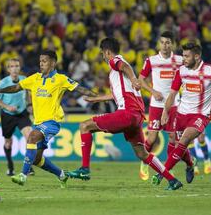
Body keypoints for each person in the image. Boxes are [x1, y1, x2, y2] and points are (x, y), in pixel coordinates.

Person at [66, 37, 183, 190]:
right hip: (136, 117)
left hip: (126, 113)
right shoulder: (119, 76)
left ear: (107, 52)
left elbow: (125, 67)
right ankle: (172, 180)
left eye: (102, 53)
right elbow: (118, 93)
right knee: (143, 154)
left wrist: (135, 79)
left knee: (84, 126)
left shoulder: (115, 61)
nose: (102, 56)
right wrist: (98, 99)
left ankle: (84, 169)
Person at [0, 50, 96, 188]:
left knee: (32, 137)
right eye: (40, 61)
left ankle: (22, 175)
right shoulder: (35, 78)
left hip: (52, 122)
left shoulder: (61, 79)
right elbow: (17, 87)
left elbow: (80, 89)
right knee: (36, 159)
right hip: (38, 123)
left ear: (53, 62)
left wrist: (97, 97)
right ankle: (62, 175)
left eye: (44, 61)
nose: (41, 64)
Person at [152, 43, 211, 186]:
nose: (184, 59)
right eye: (183, 55)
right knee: (178, 146)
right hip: (181, 114)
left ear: (197, 56)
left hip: (201, 116)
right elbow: (172, 94)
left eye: (187, 56)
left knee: (184, 140)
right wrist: (165, 111)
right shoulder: (181, 71)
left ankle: (161, 174)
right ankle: (190, 164)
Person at [138, 31, 183, 181]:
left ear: (173, 44)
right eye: (162, 42)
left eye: (168, 42)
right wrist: (153, 91)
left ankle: (167, 169)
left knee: (173, 137)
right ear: (159, 44)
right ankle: (144, 163)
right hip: (156, 105)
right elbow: (141, 80)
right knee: (152, 138)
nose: (165, 45)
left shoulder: (180, 60)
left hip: (174, 104)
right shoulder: (151, 60)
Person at [0, 58, 34, 176]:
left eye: (17, 66)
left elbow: (28, 93)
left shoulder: (24, 80)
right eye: (12, 66)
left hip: (22, 113)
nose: (15, 69)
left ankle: (29, 166)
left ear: (19, 68)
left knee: (30, 137)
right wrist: (7, 107)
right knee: (8, 142)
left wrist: (30, 104)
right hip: (8, 115)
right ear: (8, 69)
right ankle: (10, 166)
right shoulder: (3, 83)